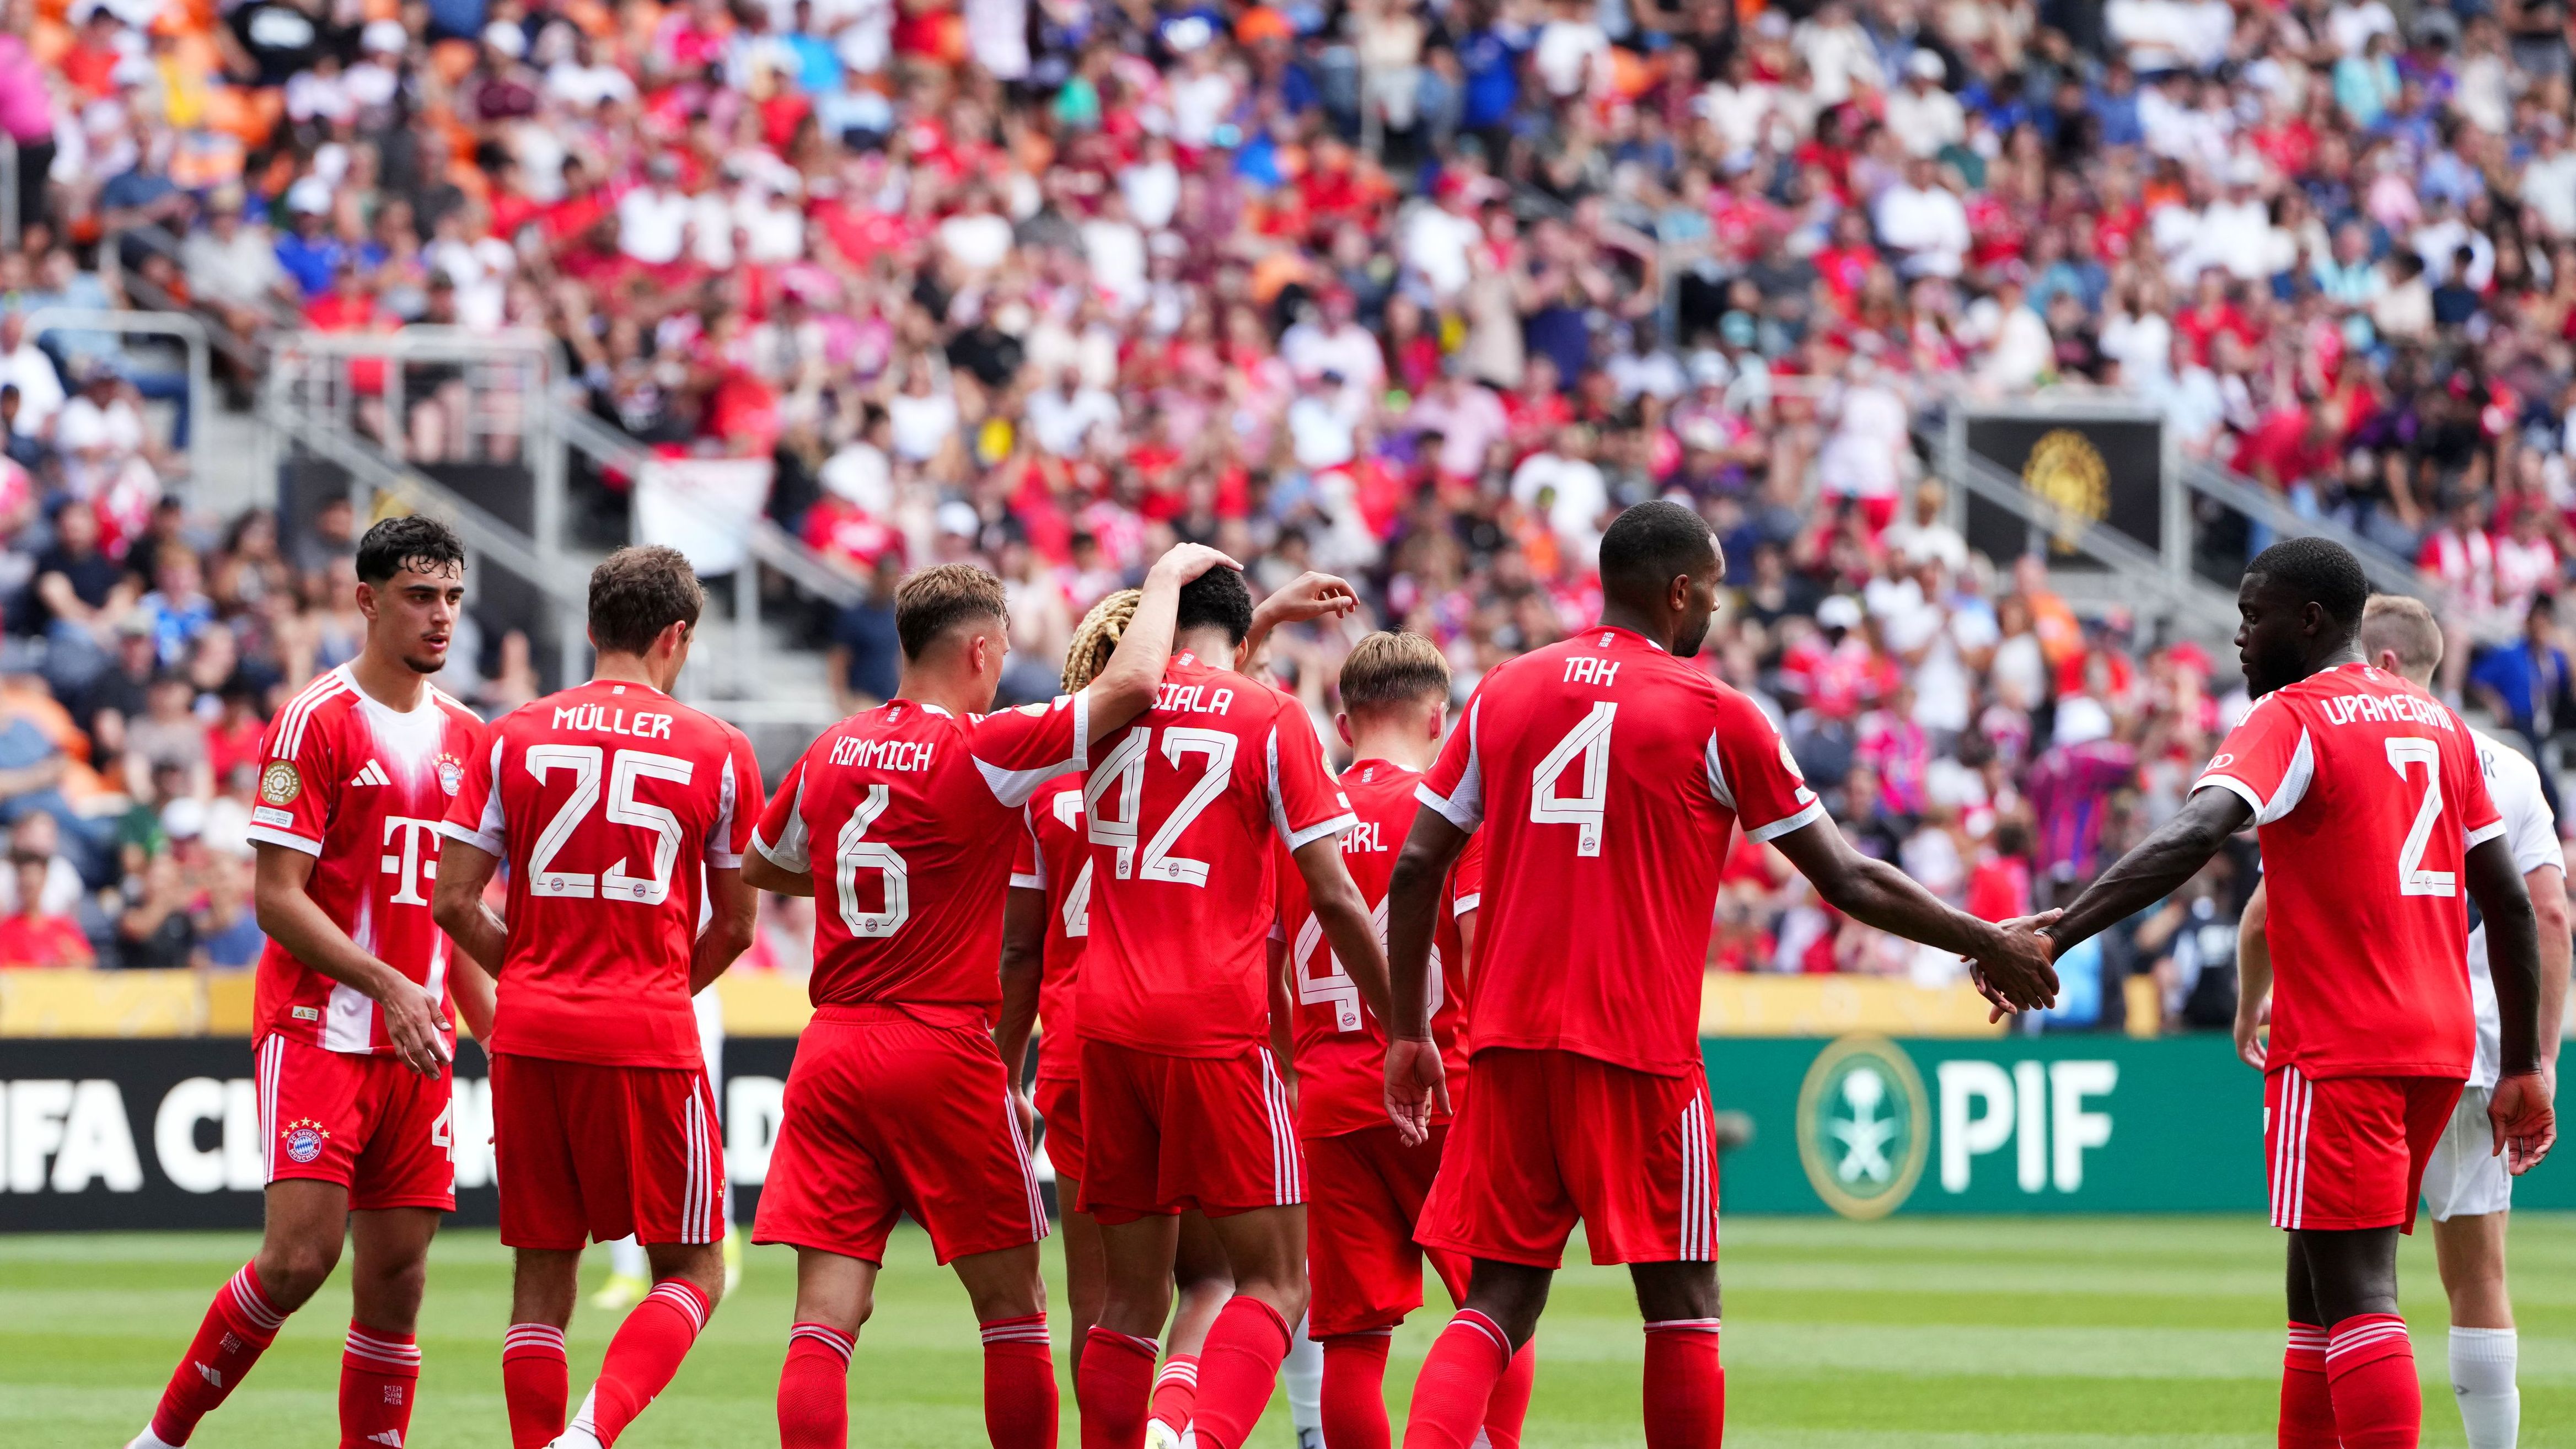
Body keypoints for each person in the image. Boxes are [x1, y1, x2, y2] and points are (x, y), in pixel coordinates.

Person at [1383, 500, 2057, 1448]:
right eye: (1715, 590)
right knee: (1683, 1308)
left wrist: (1411, 1031)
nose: (1718, 610)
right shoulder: (1716, 713)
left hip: (1508, 1041)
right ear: (1680, 589)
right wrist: (1986, 940)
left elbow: (1416, 867)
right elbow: (1849, 877)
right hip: (1640, 1052)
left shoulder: (1505, 691)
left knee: (1494, 1304)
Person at [1983, 538, 2556, 1449]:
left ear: (2313, 621)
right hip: (2441, 1046)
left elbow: (2193, 833)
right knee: (2316, 1291)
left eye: (2254, 617)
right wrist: (2524, 1060)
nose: (2241, 636)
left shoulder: (2294, 717)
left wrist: (2054, 934)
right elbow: (2516, 909)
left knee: (2360, 1293)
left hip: (2341, 1046)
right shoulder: (2440, 724)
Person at [739, 544, 1237, 1449]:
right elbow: (1128, 689)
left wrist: (876, 885)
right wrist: (1163, 582)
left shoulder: (829, 748)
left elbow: (762, 864)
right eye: (1003, 651)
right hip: (938, 1045)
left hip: (832, 1047)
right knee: (1014, 1308)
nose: (1005, 667)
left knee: (825, 1315)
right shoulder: (985, 749)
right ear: (978, 651)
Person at [126, 517, 495, 1449]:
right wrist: (384, 981)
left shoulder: (470, 738)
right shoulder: (314, 720)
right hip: (318, 1027)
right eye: (420, 597)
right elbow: (275, 898)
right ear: (366, 600)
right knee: (299, 1260)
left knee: (399, 1279)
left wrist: (503, 1033)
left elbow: (455, 913)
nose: (441, 617)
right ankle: (161, 1439)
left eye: (452, 597)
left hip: (420, 1040)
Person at [432, 545, 764, 1449]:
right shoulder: (722, 751)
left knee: (542, 1281)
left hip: (531, 1031)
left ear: (590, 630)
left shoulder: (511, 736)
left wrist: (535, 974)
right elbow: (735, 927)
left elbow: (452, 902)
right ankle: (589, 1435)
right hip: (648, 1031)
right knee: (695, 1268)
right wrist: (654, 988)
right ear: (678, 637)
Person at [2235, 594, 2570, 1449]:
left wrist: (2251, 1001)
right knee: (2478, 1275)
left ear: (2375, 663)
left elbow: (2266, 907)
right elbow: (2545, 914)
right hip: (2476, 1033)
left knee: (2342, 1282)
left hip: (2357, 1029)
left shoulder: (2351, 733)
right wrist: (2539, 1058)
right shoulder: (2498, 759)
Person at [1073, 565, 1386, 1449]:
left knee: (1129, 1301)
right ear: (1241, 633)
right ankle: (1200, 1441)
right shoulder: (1274, 717)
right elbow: (1332, 894)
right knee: (1278, 1282)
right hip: (1215, 1025)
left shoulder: (1096, 710)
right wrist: (1399, 1021)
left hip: (1103, 1028)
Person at [990, 588, 1235, 1449]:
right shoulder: (1208, 756)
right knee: (1217, 1277)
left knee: (1100, 1303)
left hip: (1078, 1047)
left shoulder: (1052, 788)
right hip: (1191, 1034)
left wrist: (1005, 1071)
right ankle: (1175, 1419)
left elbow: (1018, 954)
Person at [1279, 630, 1534, 1449]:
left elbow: (1270, 966)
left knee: (1352, 1341)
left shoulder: (1300, 821)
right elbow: (1478, 949)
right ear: (1440, 717)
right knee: (1499, 1307)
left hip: (1329, 1094)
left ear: (1346, 724)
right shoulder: (1451, 816)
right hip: (1446, 1085)